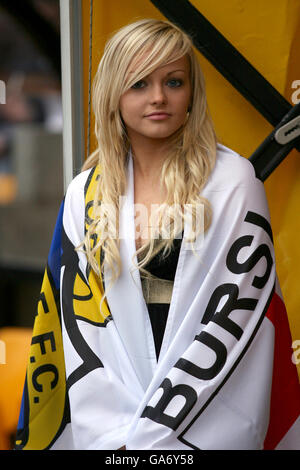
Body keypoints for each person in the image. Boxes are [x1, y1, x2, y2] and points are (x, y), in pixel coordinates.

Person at [15, 18, 300, 451]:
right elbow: (83, 337)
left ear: (192, 93)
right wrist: (124, 441)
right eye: (139, 84)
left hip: (209, 423)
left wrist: (160, 438)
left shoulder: (235, 183)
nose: (158, 98)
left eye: (174, 81)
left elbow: (238, 323)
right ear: (114, 93)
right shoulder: (83, 196)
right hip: (111, 435)